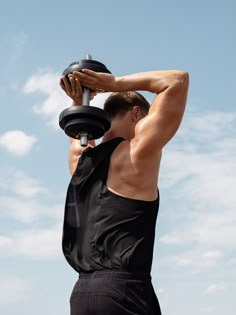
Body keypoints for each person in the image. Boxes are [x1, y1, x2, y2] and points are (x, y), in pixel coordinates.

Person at [60, 66, 189, 315]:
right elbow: (177, 80)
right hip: (123, 291)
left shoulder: (80, 161)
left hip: (81, 294)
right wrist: (115, 83)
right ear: (135, 113)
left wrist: (78, 100)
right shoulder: (135, 154)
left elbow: (78, 132)